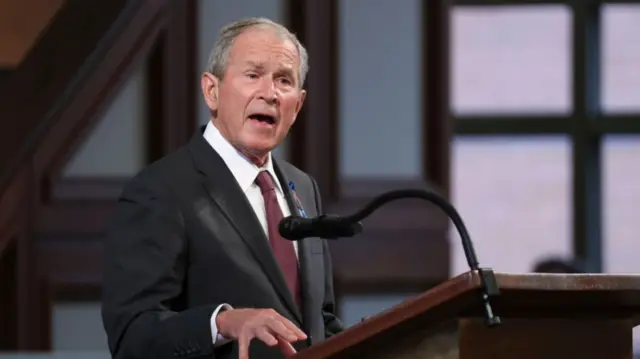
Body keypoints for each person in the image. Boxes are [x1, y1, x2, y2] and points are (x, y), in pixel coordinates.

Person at [101, 17, 343, 359]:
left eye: (284, 80)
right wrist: (222, 322)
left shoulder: (303, 186)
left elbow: (318, 319)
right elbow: (132, 335)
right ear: (212, 91)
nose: (270, 93)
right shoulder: (162, 190)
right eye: (253, 75)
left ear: (298, 105)